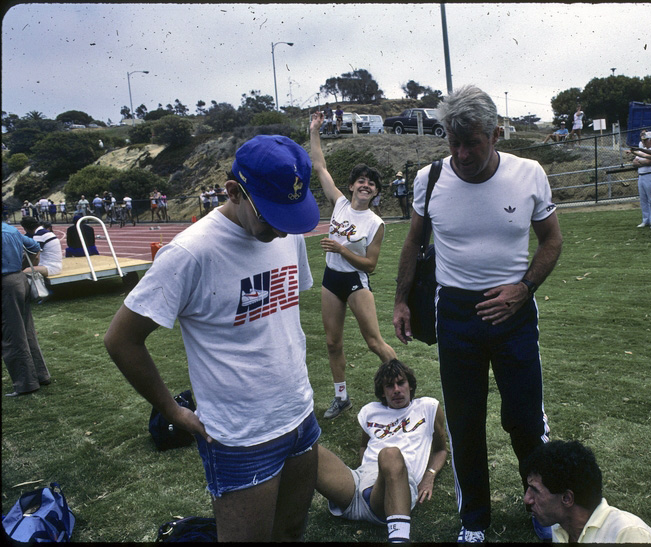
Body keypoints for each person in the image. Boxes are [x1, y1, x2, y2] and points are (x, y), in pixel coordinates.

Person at [104, 134, 322, 542]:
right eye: (270, 217)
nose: (280, 230)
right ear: (234, 192)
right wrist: (171, 410)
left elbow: (281, 317)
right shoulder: (190, 253)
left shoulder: (287, 231)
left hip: (299, 416)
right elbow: (121, 339)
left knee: (292, 530)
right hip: (240, 438)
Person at [392, 85, 563, 542]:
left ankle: (541, 510)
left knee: (525, 420)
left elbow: (552, 241)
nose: (462, 153)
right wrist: (401, 299)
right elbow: (412, 242)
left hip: (514, 314)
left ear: (497, 134)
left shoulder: (529, 174)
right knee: (465, 424)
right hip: (456, 315)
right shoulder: (429, 179)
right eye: (453, 142)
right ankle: (474, 522)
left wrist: (523, 289)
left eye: (473, 142)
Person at [309, 111, 398, 420]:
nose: (366, 185)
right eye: (361, 180)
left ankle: (400, 390)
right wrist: (314, 131)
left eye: (371, 183)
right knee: (333, 342)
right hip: (331, 280)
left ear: (375, 192)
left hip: (355, 282)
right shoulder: (340, 204)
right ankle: (341, 397)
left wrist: (341, 249)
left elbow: (370, 266)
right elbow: (319, 166)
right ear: (350, 186)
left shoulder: (376, 223)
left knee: (374, 341)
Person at [315, 359, 448, 543]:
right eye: (389, 386)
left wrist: (429, 476)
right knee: (310, 451)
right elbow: (364, 446)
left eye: (401, 383)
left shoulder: (428, 407)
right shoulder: (370, 411)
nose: (396, 390)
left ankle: (399, 539)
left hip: (395, 487)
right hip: (359, 484)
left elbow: (441, 450)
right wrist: (369, 473)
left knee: (390, 454)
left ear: (410, 386)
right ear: (383, 393)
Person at [521, 440, 651, 543]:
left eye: (535, 491)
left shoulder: (627, 534)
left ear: (567, 498)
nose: (527, 499)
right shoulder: (559, 527)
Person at [2, 221, 50, 397]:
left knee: (11, 334)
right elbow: (34, 247)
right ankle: (40, 374)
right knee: (26, 330)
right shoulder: (10, 229)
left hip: (5, 283)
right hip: (19, 279)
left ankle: (25, 383)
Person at [626, 131, 651, 229]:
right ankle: (646, 220)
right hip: (642, 175)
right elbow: (634, 162)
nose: (643, 142)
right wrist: (641, 162)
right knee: (643, 199)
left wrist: (639, 161)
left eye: (645, 140)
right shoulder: (642, 150)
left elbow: (649, 162)